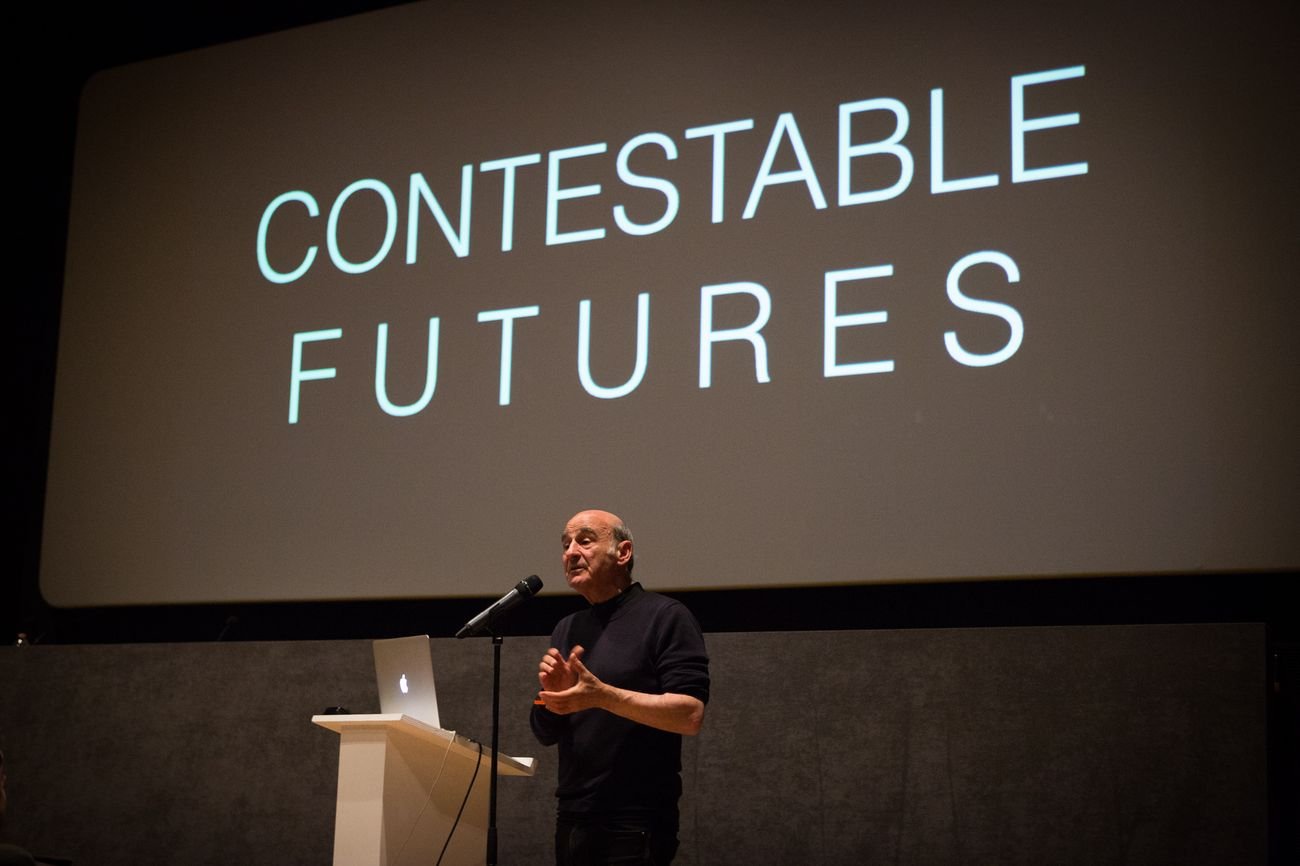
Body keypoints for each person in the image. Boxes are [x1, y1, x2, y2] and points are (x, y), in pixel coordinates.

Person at [530, 509, 710, 866]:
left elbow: (690, 715)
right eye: (566, 545)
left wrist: (602, 696)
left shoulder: (665, 616)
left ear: (623, 552)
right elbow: (544, 732)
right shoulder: (568, 627)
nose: (570, 553)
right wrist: (553, 701)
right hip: (573, 816)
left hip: (635, 819)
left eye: (584, 540)